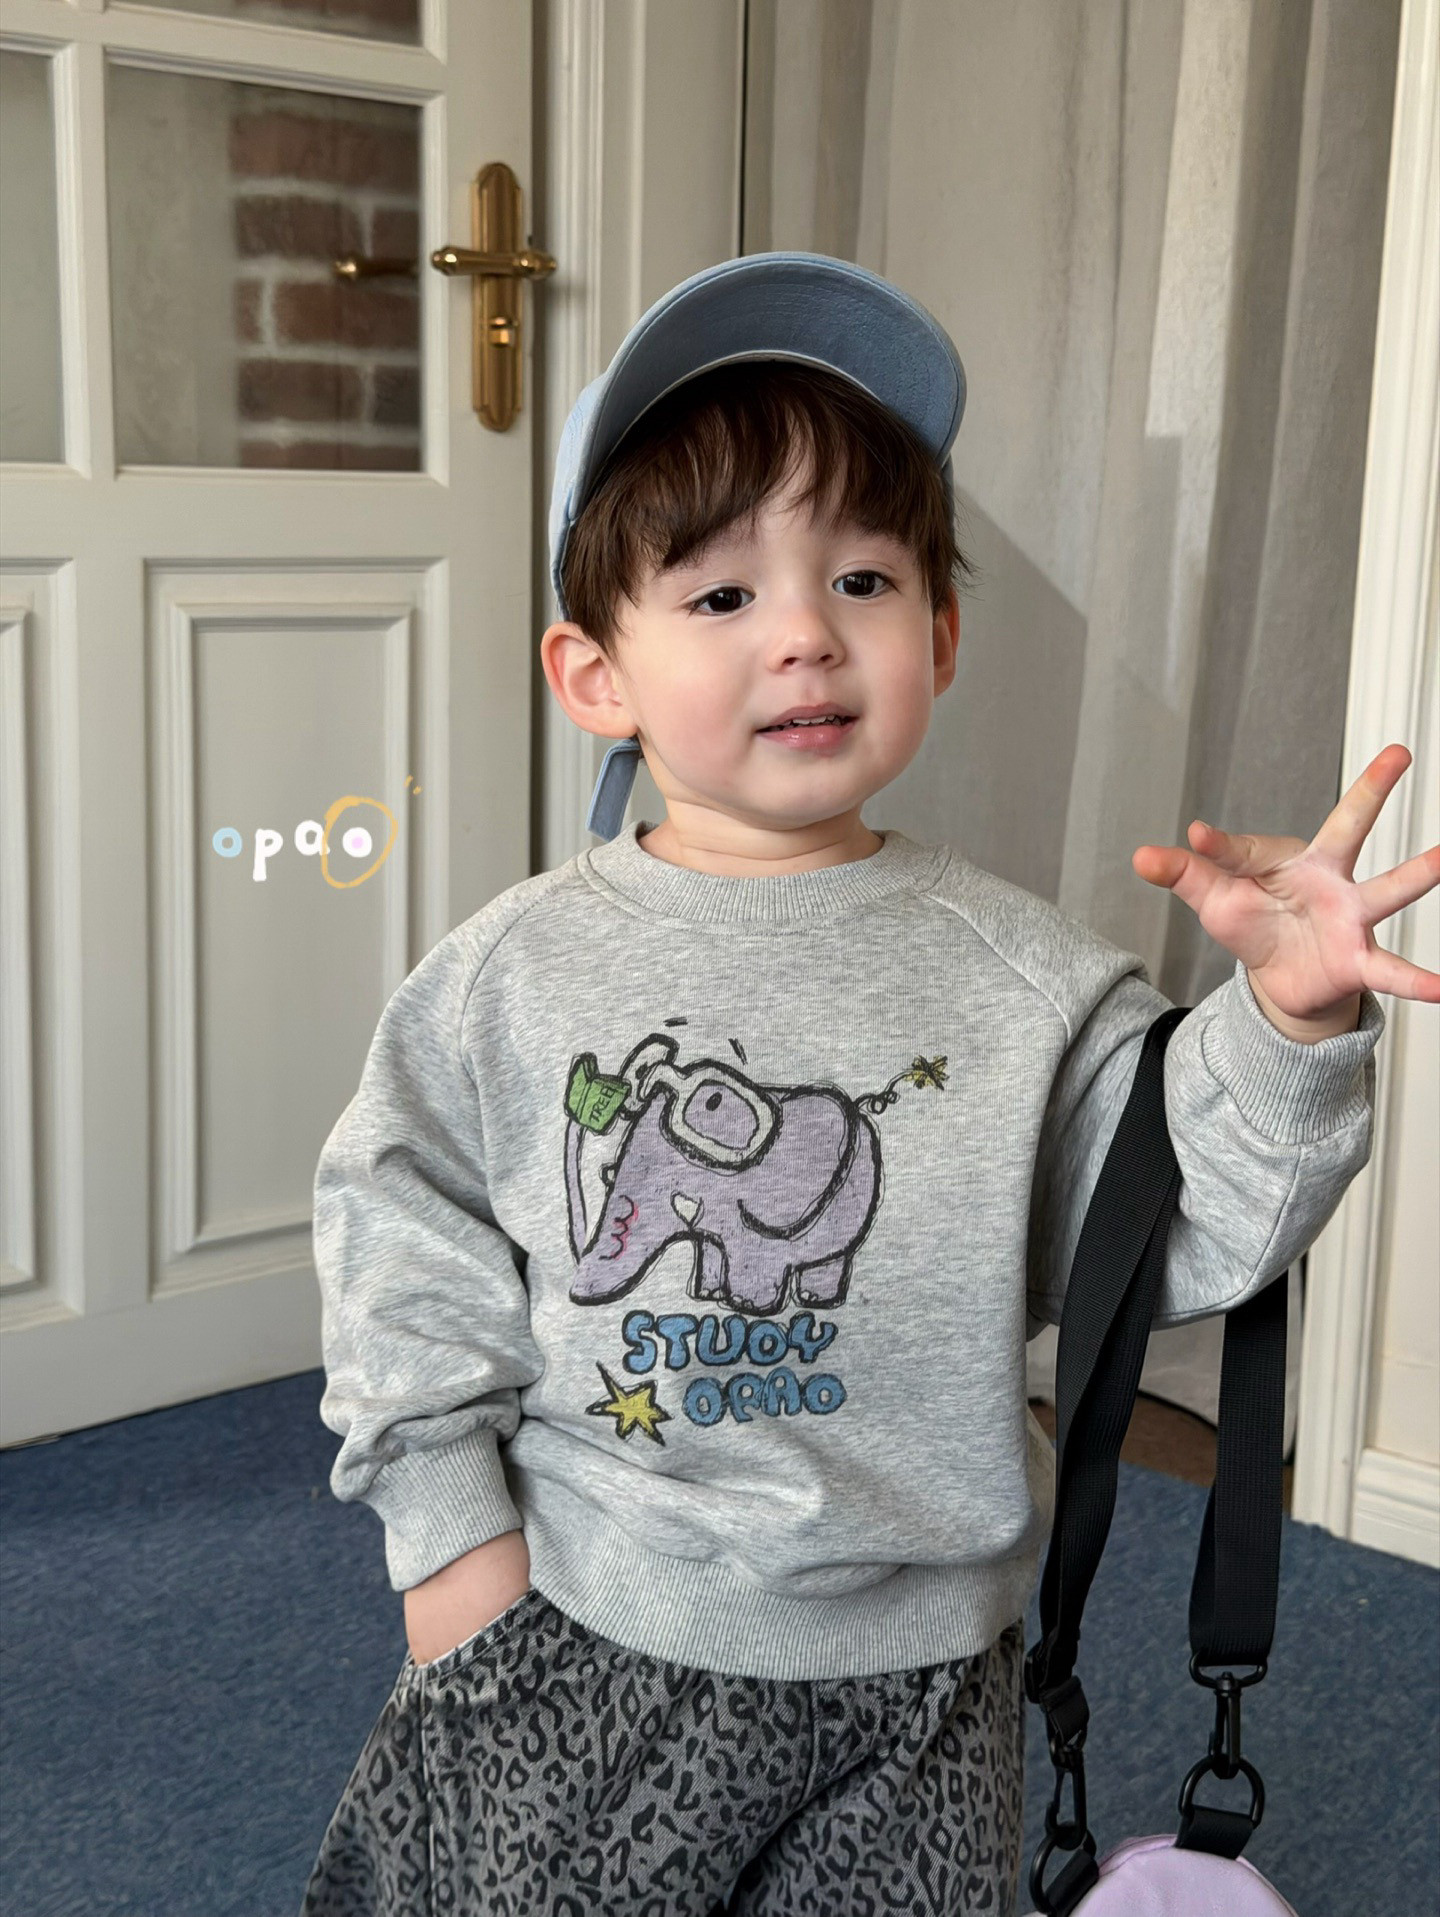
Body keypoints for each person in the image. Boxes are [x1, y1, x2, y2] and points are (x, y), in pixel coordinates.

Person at [298, 253, 1434, 1917]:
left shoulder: (1027, 977)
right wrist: (454, 1537)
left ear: (941, 634)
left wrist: (1285, 1019)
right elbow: (399, 1237)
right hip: (598, 1620)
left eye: (864, 576)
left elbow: (1173, 1233)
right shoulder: (510, 974)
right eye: (720, 596)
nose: (807, 634)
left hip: (926, 1674)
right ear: (594, 672)